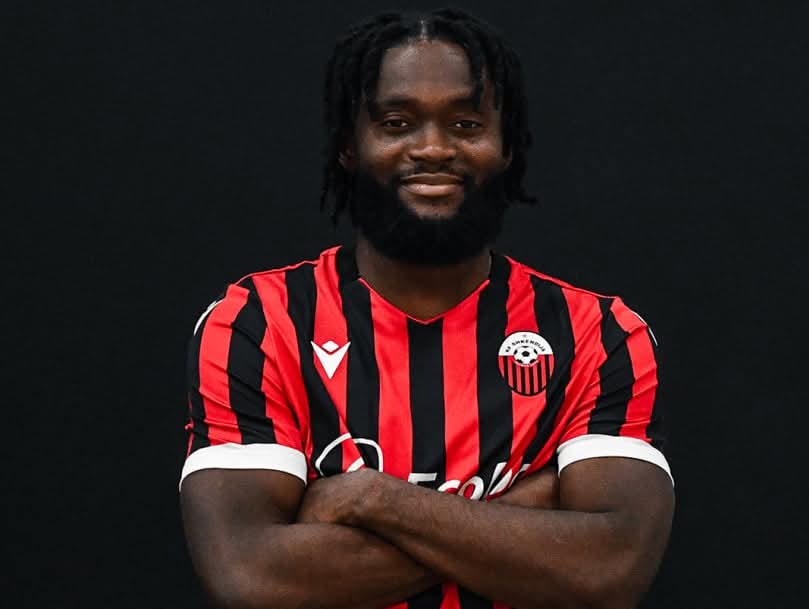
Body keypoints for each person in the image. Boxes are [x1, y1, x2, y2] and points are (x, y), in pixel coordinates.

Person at [180, 8, 674, 609]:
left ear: (507, 146)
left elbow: (609, 569)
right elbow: (253, 577)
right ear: (349, 146)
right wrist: (525, 510)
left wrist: (371, 499)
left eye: (466, 124)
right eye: (397, 123)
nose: (434, 148)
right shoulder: (258, 323)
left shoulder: (598, 334)